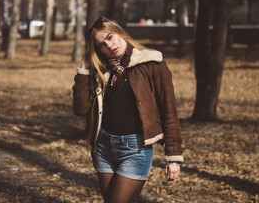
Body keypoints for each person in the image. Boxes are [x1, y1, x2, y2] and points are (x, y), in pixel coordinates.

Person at [72, 17, 183, 203]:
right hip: (103, 147)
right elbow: (81, 109)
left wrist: (173, 156)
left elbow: (169, 110)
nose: (109, 45)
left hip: (135, 149)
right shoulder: (102, 70)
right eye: (101, 45)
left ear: (120, 32)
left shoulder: (151, 62)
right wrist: (84, 70)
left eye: (110, 37)